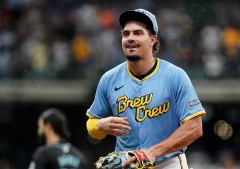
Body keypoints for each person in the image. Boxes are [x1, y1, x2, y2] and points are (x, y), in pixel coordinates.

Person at [86, 8, 206, 169]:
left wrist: (153, 152)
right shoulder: (109, 79)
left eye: (137, 33)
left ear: (152, 40)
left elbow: (195, 127)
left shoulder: (175, 76)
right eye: (126, 34)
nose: (130, 38)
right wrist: (99, 125)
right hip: (127, 164)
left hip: (167, 162)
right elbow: (92, 125)